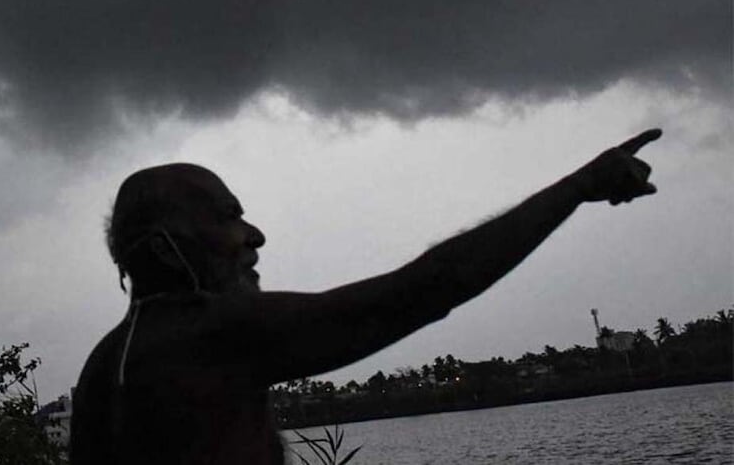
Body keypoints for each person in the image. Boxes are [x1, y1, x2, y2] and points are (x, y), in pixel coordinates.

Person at [70, 129, 662, 464]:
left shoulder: (102, 370)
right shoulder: (215, 335)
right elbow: (428, 288)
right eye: (228, 218)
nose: (255, 236)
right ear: (168, 250)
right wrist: (580, 185)